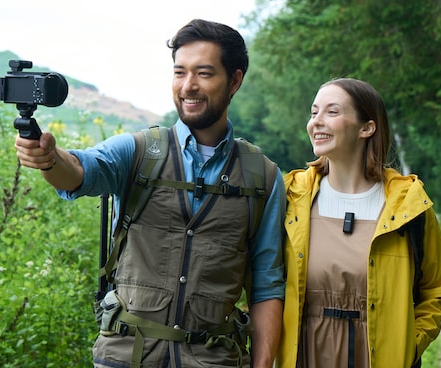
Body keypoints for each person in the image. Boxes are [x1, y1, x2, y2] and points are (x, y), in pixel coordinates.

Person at [15, 19, 285, 368]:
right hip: (125, 358)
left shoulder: (263, 176)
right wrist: (50, 159)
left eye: (204, 73)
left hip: (213, 360)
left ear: (234, 80)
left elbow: (266, 285)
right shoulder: (140, 151)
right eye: (179, 72)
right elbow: (81, 170)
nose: (188, 86)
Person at [275, 78, 441, 368]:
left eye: (331, 112)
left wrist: (409, 344)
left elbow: (438, 288)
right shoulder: (289, 197)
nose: (316, 122)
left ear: (366, 128)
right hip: (306, 356)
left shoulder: (409, 205)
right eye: (313, 112)